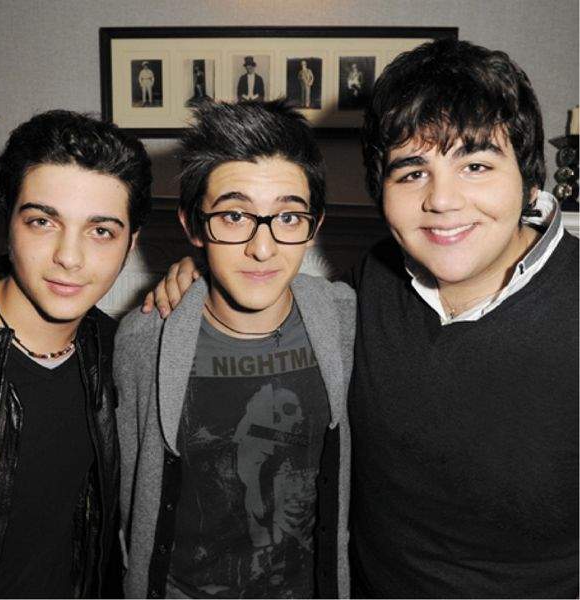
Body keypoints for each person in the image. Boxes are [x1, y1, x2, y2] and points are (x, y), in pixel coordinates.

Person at [150, 38, 579, 598]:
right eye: (412, 172)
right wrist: (205, 268)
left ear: (528, 177)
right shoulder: (368, 285)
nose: (442, 200)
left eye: (475, 165)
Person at [114, 100, 355, 599]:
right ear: (193, 225)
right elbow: (125, 504)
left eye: (288, 216)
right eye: (233, 215)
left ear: (315, 225)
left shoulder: (345, 321)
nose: (262, 248)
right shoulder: (143, 342)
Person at [0, 110, 153, 598]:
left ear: (130, 244)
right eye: (42, 221)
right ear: (8, 222)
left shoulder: (122, 354)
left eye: (101, 231)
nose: (69, 257)